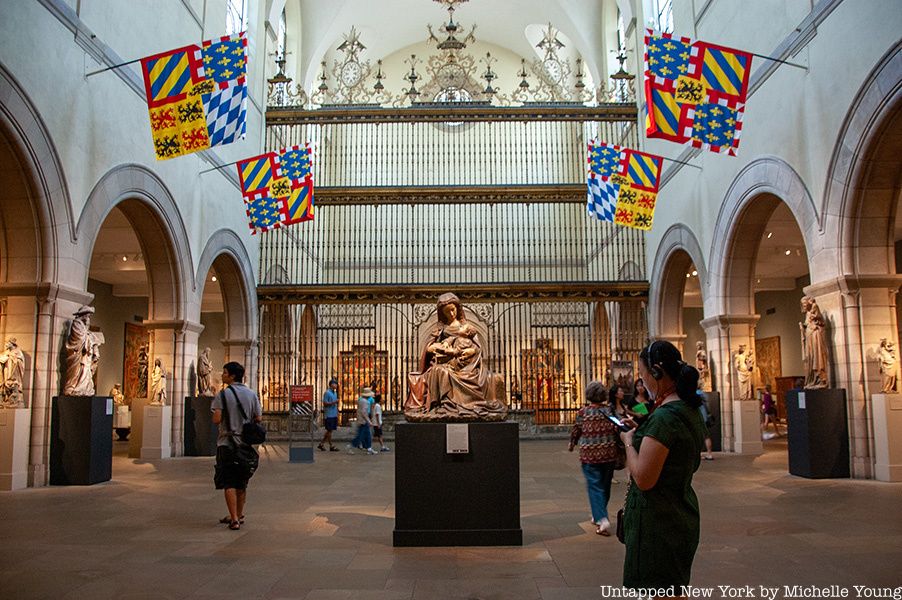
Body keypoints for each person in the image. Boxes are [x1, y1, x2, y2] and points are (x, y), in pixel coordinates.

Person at [619, 340, 705, 592]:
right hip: (677, 512)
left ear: (656, 372)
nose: (642, 380)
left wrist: (628, 443)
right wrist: (644, 437)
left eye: (643, 373)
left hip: (660, 524)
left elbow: (645, 478)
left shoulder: (665, 418)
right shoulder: (687, 409)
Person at [404, 292, 506, 421]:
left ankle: (463, 404)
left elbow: (477, 348)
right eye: (447, 312)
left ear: (458, 308)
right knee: (439, 371)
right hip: (445, 363)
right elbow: (429, 348)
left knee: (478, 375)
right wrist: (434, 348)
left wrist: (472, 351)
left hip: (467, 364)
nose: (451, 314)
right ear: (442, 313)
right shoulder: (440, 329)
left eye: (453, 310)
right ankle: (446, 405)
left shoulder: (467, 327)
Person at [212, 361, 262, 531]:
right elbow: (258, 418)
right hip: (246, 444)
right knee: (242, 481)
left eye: (224, 372)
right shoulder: (251, 394)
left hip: (227, 443)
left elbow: (216, 419)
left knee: (228, 481)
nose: (222, 375)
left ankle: (233, 519)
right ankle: (239, 514)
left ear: (232, 376)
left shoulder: (223, 395)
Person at [569, 381, 620, 536]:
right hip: (609, 453)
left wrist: (572, 443)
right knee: (605, 486)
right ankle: (598, 514)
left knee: (594, 486)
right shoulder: (609, 410)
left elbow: (576, 430)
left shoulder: (583, 412)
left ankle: (602, 519)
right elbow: (616, 427)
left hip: (590, 455)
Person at [63, 305, 103, 396]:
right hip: (79, 353)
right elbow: (79, 338)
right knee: (78, 371)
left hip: (86, 354)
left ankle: (83, 388)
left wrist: (92, 339)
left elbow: (86, 335)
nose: (88, 318)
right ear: (83, 315)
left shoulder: (84, 327)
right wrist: (90, 337)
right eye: (88, 316)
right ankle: (75, 387)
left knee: (86, 371)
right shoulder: (76, 324)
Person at [800, 296, 830, 388]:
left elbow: (820, 322)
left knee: (817, 358)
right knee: (810, 358)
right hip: (809, 339)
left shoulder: (815, 312)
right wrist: (803, 327)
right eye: (803, 304)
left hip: (815, 338)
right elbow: (807, 324)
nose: (804, 306)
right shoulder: (808, 314)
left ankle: (821, 378)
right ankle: (812, 379)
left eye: (805, 303)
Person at [348, 387, 376, 455]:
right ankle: (351, 446)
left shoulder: (360, 400)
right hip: (363, 421)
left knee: (367, 434)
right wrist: (369, 421)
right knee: (360, 436)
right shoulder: (366, 402)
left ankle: (369, 448)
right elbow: (364, 413)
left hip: (361, 420)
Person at [0, 337, 26, 407]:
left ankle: (14, 400)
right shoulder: (6, 352)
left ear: (12, 344)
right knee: (5, 383)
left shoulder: (17, 352)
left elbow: (20, 361)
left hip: (13, 371)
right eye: (5, 343)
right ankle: (6, 399)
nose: (6, 344)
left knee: (13, 383)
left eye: (8, 343)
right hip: (6, 369)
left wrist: (12, 357)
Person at [318, 378, 340, 451]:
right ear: (331, 385)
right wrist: (334, 402)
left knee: (330, 430)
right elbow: (325, 403)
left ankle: (322, 444)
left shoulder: (335, 393)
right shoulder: (327, 393)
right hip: (329, 414)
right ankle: (331, 445)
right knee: (329, 430)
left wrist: (337, 412)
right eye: (335, 384)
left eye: (336, 384)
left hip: (334, 414)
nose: (336, 385)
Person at [697, 390, 715, 460]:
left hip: (698, 417)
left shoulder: (693, 394)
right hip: (705, 417)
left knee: (698, 437)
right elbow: (707, 405)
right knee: (706, 436)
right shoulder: (703, 394)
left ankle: (699, 454)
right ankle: (709, 453)